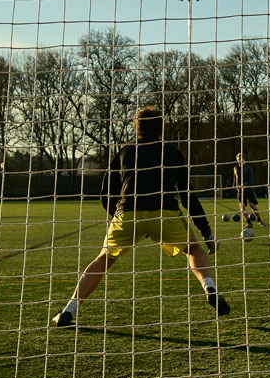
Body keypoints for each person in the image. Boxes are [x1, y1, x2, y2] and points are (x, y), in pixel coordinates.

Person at [51, 107, 229, 328]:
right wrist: (207, 233)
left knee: (103, 259)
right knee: (194, 249)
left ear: (137, 128)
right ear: (160, 128)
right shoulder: (172, 152)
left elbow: (106, 194)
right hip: (165, 212)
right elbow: (187, 197)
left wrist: (119, 216)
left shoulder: (125, 152)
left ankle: (69, 311)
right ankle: (210, 289)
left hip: (128, 213)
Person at [234, 152, 262, 227]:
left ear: (244, 160)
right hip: (240, 191)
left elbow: (251, 181)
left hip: (249, 190)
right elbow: (236, 178)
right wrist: (235, 185)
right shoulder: (236, 168)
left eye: (241, 159)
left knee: (252, 205)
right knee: (242, 207)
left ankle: (259, 219)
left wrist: (244, 185)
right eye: (238, 160)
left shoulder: (248, 168)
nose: (239, 161)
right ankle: (249, 223)